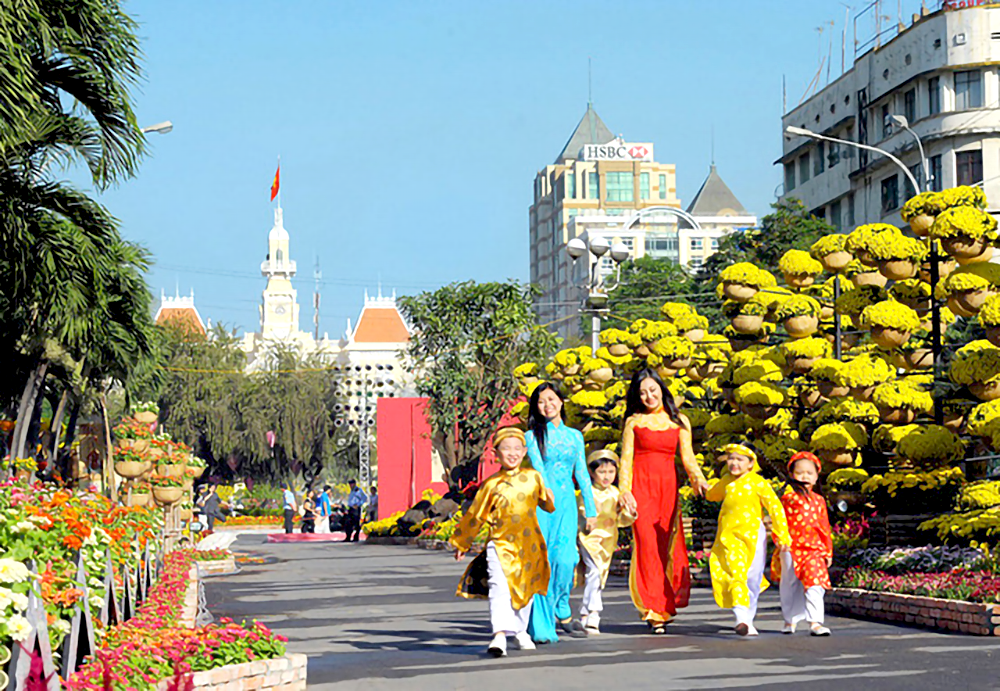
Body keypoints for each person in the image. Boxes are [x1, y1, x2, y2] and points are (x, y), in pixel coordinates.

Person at [450, 427, 556, 658]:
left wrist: (550, 498)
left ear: (524, 451)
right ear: (496, 453)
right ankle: (499, 634)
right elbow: (475, 515)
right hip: (500, 544)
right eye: (506, 448)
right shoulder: (491, 484)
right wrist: (462, 543)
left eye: (517, 448)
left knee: (525, 589)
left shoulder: (533, 477)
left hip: (529, 544)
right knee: (499, 588)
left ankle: (520, 630)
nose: (512, 453)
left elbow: (546, 505)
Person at [618, 368, 709, 634]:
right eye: (642, 392)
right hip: (641, 489)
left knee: (665, 545)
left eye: (652, 390)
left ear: (661, 389)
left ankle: (665, 604)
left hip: (668, 490)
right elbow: (626, 460)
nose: (648, 396)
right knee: (646, 546)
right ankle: (654, 609)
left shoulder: (679, 421)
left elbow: (688, 458)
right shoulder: (633, 423)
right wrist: (625, 491)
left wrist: (699, 480)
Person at [525, 382, 597, 642]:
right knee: (544, 561)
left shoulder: (575, 436)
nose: (548, 405)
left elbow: (583, 475)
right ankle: (542, 626)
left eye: (552, 399)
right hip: (543, 504)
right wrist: (545, 490)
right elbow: (537, 467)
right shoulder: (532, 436)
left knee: (566, 560)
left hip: (566, 504)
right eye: (542, 402)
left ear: (561, 402)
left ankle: (562, 606)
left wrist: (590, 509)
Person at [707, 443, 791, 636]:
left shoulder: (758, 482)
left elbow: (775, 508)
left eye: (739, 459)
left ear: (751, 463)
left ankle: (748, 618)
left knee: (752, 578)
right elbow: (713, 495)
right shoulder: (726, 481)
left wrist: (782, 534)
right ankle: (741, 618)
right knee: (736, 574)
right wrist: (701, 485)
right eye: (730, 458)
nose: (734, 463)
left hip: (753, 536)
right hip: (729, 537)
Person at [773, 451, 833, 637]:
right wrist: (779, 540)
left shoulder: (820, 501)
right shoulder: (787, 499)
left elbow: (824, 526)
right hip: (791, 547)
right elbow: (778, 521)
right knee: (790, 583)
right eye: (800, 472)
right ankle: (789, 619)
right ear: (792, 475)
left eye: (809, 473)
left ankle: (815, 622)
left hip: (814, 549)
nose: (804, 476)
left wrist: (828, 551)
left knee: (816, 583)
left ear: (816, 477)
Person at [577, 449, 636, 635]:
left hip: (609, 538)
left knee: (600, 574)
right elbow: (582, 512)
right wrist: (587, 518)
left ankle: (585, 612)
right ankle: (594, 613)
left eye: (611, 472)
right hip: (589, 538)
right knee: (594, 570)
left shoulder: (616, 493)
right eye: (602, 472)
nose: (606, 476)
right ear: (592, 472)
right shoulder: (587, 492)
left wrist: (631, 512)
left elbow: (622, 518)